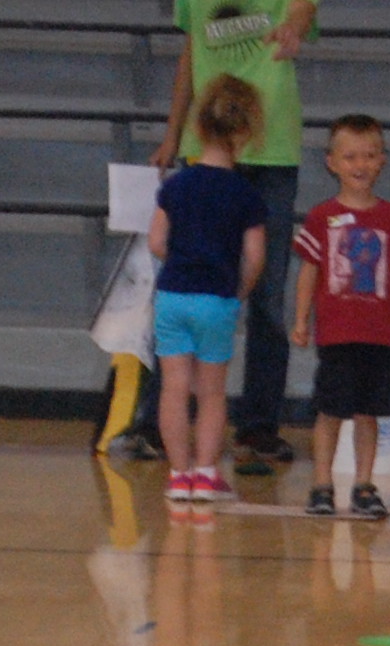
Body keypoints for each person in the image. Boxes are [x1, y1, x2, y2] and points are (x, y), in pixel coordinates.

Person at [155, 0, 319, 475]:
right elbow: (191, 52)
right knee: (184, 278)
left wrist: (293, 28)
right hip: (204, 143)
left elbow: (304, 7)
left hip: (269, 147)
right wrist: (172, 132)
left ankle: (258, 426)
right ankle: (164, 426)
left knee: (267, 297)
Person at [288, 114, 390, 521]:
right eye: (350, 157)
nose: (359, 165)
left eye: (368, 156)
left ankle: (365, 486)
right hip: (337, 334)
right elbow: (309, 270)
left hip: (381, 335)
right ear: (331, 162)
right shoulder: (321, 217)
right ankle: (321, 484)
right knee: (330, 410)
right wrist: (300, 319)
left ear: (382, 160)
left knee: (370, 412)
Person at [149, 78, 272, 508]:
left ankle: (178, 476)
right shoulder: (246, 194)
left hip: (171, 297)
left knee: (173, 389)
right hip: (216, 300)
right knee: (212, 393)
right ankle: (205, 474)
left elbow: (155, 243)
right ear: (246, 133)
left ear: (198, 129)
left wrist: (181, 259)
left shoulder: (177, 186)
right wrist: (240, 289)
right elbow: (255, 257)